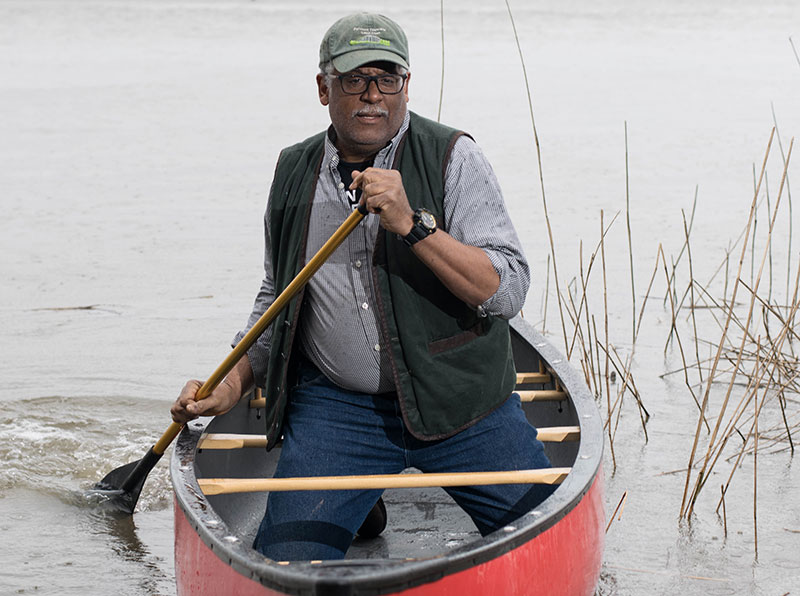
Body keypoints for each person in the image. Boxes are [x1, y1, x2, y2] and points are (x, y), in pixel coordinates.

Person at [171, 12, 554, 561]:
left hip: (462, 403)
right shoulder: (292, 170)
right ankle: (358, 487)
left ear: (406, 86)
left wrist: (414, 225)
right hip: (340, 411)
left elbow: (507, 290)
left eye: (387, 78)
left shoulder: (453, 157)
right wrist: (231, 385)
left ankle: (362, 494)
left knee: (541, 539)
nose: (372, 95)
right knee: (285, 563)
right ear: (324, 88)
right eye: (354, 79)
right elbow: (275, 300)